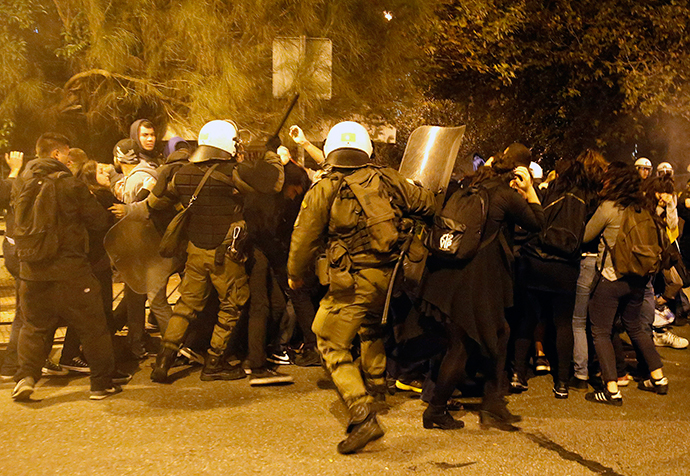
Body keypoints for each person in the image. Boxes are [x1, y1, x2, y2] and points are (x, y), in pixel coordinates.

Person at [288, 121, 436, 454]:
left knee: (328, 339)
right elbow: (426, 202)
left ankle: (362, 414)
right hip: (389, 275)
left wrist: (295, 275)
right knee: (370, 327)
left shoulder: (324, 188)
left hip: (351, 279)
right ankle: (377, 388)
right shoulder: (387, 178)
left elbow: (304, 239)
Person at [148, 119, 284, 383]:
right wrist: (270, 153)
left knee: (186, 305)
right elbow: (273, 183)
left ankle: (163, 361)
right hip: (225, 252)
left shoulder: (182, 173)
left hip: (195, 250)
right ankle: (215, 362)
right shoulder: (233, 172)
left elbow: (156, 203)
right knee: (233, 303)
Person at [421, 146, 543, 431]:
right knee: (461, 347)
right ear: (518, 172)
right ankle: (436, 411)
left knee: (500, 334)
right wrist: (531, 190)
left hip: (450, 276)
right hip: (475, 284)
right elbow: (537, 223)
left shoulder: (472, 184)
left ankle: (492, 402)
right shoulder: (504, 195)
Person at [10, 133, 121, 401]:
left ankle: (26, 376)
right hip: (70, 271)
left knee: (34, 326)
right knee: (93, 326)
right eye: (66, 153)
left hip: (31, 270)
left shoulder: (21, 182)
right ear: (57, 154)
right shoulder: (70, 185)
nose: (69, 158)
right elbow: (97, 221)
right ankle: (100, 384)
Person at [583, 164, 668, 406]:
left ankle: (611, 389)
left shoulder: (609, 207)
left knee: (600, 330)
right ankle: (658, 377)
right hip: (638, 280)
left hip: (612, 278)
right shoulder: (644, 209)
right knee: (635, 327)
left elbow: (586, 236)